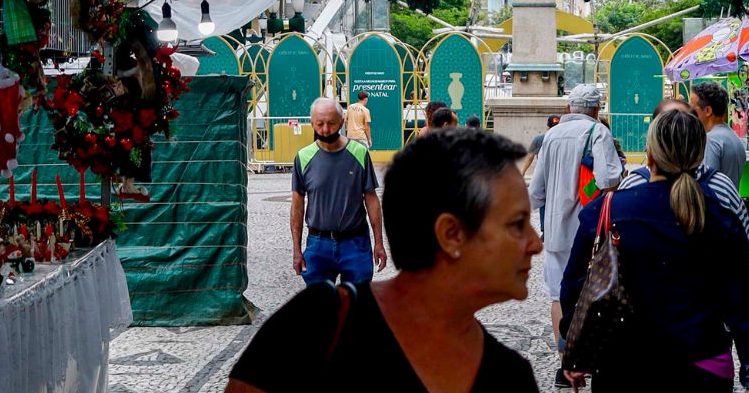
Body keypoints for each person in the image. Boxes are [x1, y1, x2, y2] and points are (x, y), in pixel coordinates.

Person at [228, 128, 542, 393]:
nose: (536, 244)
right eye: (517, 223)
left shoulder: (511, 377)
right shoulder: (318, 324)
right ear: (451, 234)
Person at [562, 110, 749, 392]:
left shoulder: (607, 210)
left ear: (649, 157)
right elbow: (742, 299)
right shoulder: (720, 218)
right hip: (705, 363)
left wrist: (572, 346)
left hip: (622, 364)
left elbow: (575, 283)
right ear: (700, 157)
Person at [529, 84, 623, 368]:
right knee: (594, 294)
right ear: (596, 110)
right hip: (591, 231)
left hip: (556, 232)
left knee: (559, 295)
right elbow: (608, 180)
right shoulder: (597, 132)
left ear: (569, 108)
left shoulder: (551, 136)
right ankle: (590, 357)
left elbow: (536, 192)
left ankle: (565, 361)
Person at [618, 99, 749, 249]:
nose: (676, 129)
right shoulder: (723, 188)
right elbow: (746, 251)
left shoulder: (630, 189)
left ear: (650, 150)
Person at [290, 97, 386, 287]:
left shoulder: (359, 153)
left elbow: (372, 200)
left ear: (342, 122)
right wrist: (296, 249)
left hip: (355, 244)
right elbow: (297, 206)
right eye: (320, 124)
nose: (325, 130)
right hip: (318, 245)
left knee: (357, 306)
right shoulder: (303, 158)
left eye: (331, 123)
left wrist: (379, 243)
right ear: (312, 123)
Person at [691, 82, 747, 193]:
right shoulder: (733, 137)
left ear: (707, 111)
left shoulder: (711, 140)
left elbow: (707, 186)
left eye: (693, 108)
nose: (690, 113)